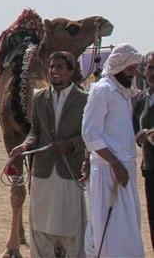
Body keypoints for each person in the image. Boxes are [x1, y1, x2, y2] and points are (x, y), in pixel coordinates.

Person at [10, 52, 87, 257]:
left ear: (71, 71)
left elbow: (90, 134)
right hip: (43, 171)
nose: (55, 71)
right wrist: (24, 146)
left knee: (71, 227)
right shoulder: (40, 97)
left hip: (69, 170)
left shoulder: (84, 99)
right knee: (40, 226)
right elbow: (36, 131)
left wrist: (71, 145)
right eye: (52, 66)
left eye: (61, 66)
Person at [82, 43, 144, 257]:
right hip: (108, 170)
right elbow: (90, 133)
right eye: (130, 69)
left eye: (135, 69)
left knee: (127, 227)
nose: (133, 74)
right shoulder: (102, 90)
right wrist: (116, 164)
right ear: (119, 67)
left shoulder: (123, 92)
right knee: (108, 230)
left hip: (125, 168)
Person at [133, 51, 154, 249]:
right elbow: (134, 131)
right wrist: (140, 138)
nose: (153, 72)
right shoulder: (141, 99)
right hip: (150, 168)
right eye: (151, 67)